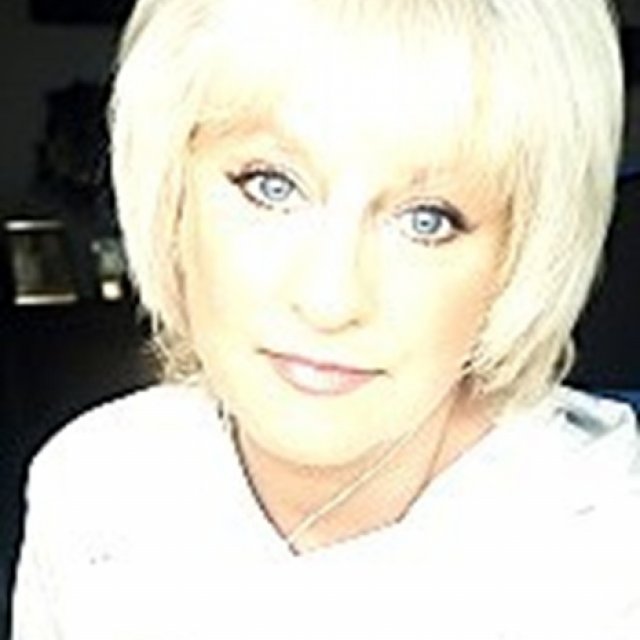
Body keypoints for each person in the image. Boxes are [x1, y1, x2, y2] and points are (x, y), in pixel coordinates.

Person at [11, 0, 640, 638]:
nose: (329, 299)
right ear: (172, 193)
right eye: (272, 186)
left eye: (426, 220)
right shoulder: (93, 487)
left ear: (521, 254)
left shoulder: (608, 556)